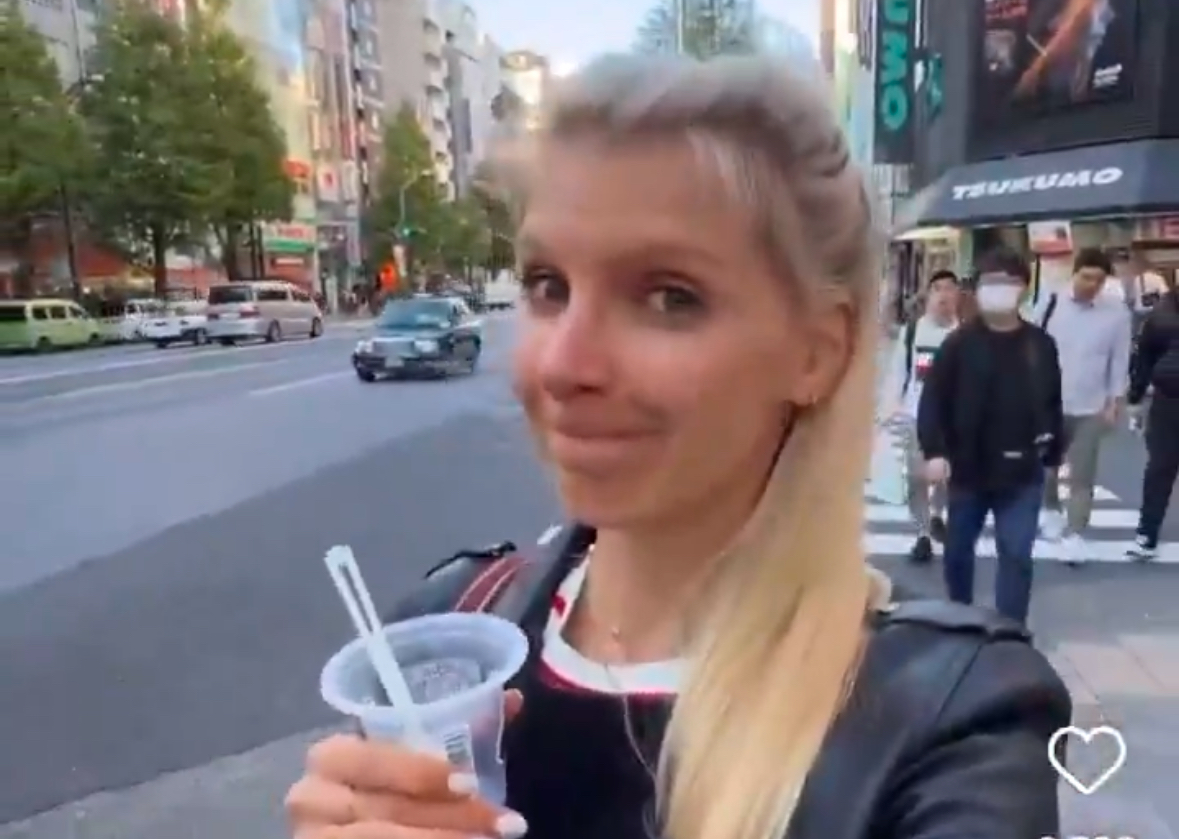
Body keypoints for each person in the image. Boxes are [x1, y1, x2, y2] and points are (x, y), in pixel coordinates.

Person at [286, 56, 1069, 839]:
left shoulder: (952, 720)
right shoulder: (451, 628)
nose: (564, 364)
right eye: (548, 285)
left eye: (668, 297)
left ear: (817, 351)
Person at [918, 247, 1064, 623]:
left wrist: (1054, 452)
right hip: (967, 470)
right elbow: (933, 399)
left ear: (1023, 288)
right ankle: (960, 616)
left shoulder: (1040, 345)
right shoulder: (959, 343)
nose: (998, 289)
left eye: (1007, 281)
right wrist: (934, 451)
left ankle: (1009, 630)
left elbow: (1052, 402)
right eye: (989, 282)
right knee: (957, 552)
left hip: (1022, 472)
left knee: (1016, 555)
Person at [1034, 248, 1132, 563]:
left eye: (1099, 280)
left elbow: (1119, 359)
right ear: (1074, 273)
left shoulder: (1116, 313)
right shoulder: (1050, 303)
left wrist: (1115, 400)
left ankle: (1075, 533)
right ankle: (1050, 508)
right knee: (1047, 466)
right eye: (1086, 277)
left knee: (1083, 474)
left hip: (1092, 405)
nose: (1091, 285)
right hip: (1049, 402)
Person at [881, 269, 959, 563]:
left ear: (957, 296)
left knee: (948, 476)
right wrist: (892, 409)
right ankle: (922, 533)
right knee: (917, 477)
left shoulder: (964, 335)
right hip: (916, 416)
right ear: (928, 295)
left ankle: (939, 513)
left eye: (949, 288)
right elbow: (899, 372)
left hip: (953, 420)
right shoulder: (913, 331)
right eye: (937, 288)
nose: (943, 295)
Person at [1125, 279, 1179, 560]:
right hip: (1168, 400)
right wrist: (1135, 398)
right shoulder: (1161, 313)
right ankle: (1147, 532)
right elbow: (1144, 358)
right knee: (1160, 467)